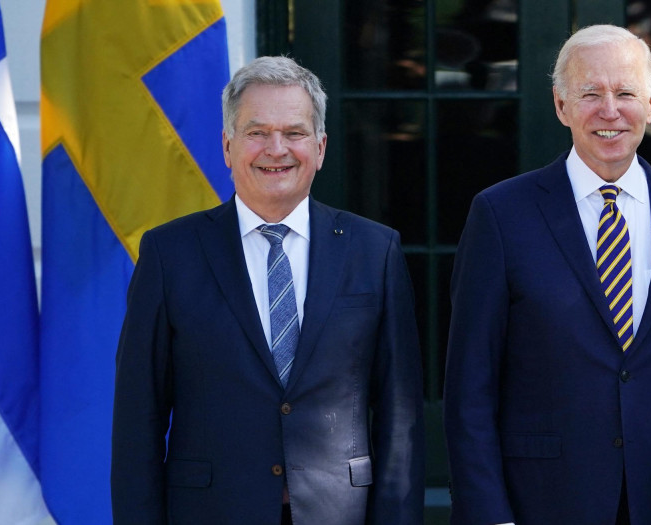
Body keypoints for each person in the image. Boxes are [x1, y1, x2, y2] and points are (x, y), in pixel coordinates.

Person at [111, 56, 424, 525]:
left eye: (294, 133)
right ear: (227, 146)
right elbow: (139, 418)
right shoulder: (168, 254)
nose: (275, 149)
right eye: (257, 132)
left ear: (319, 147)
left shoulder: (374, 251)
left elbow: (400, 418)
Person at [443, 24, 651, 525]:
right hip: (543, 503)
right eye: (590, 94)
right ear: (560, 105)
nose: (610, 111)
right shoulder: (501, 215)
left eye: (625, 93)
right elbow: (470, 387)